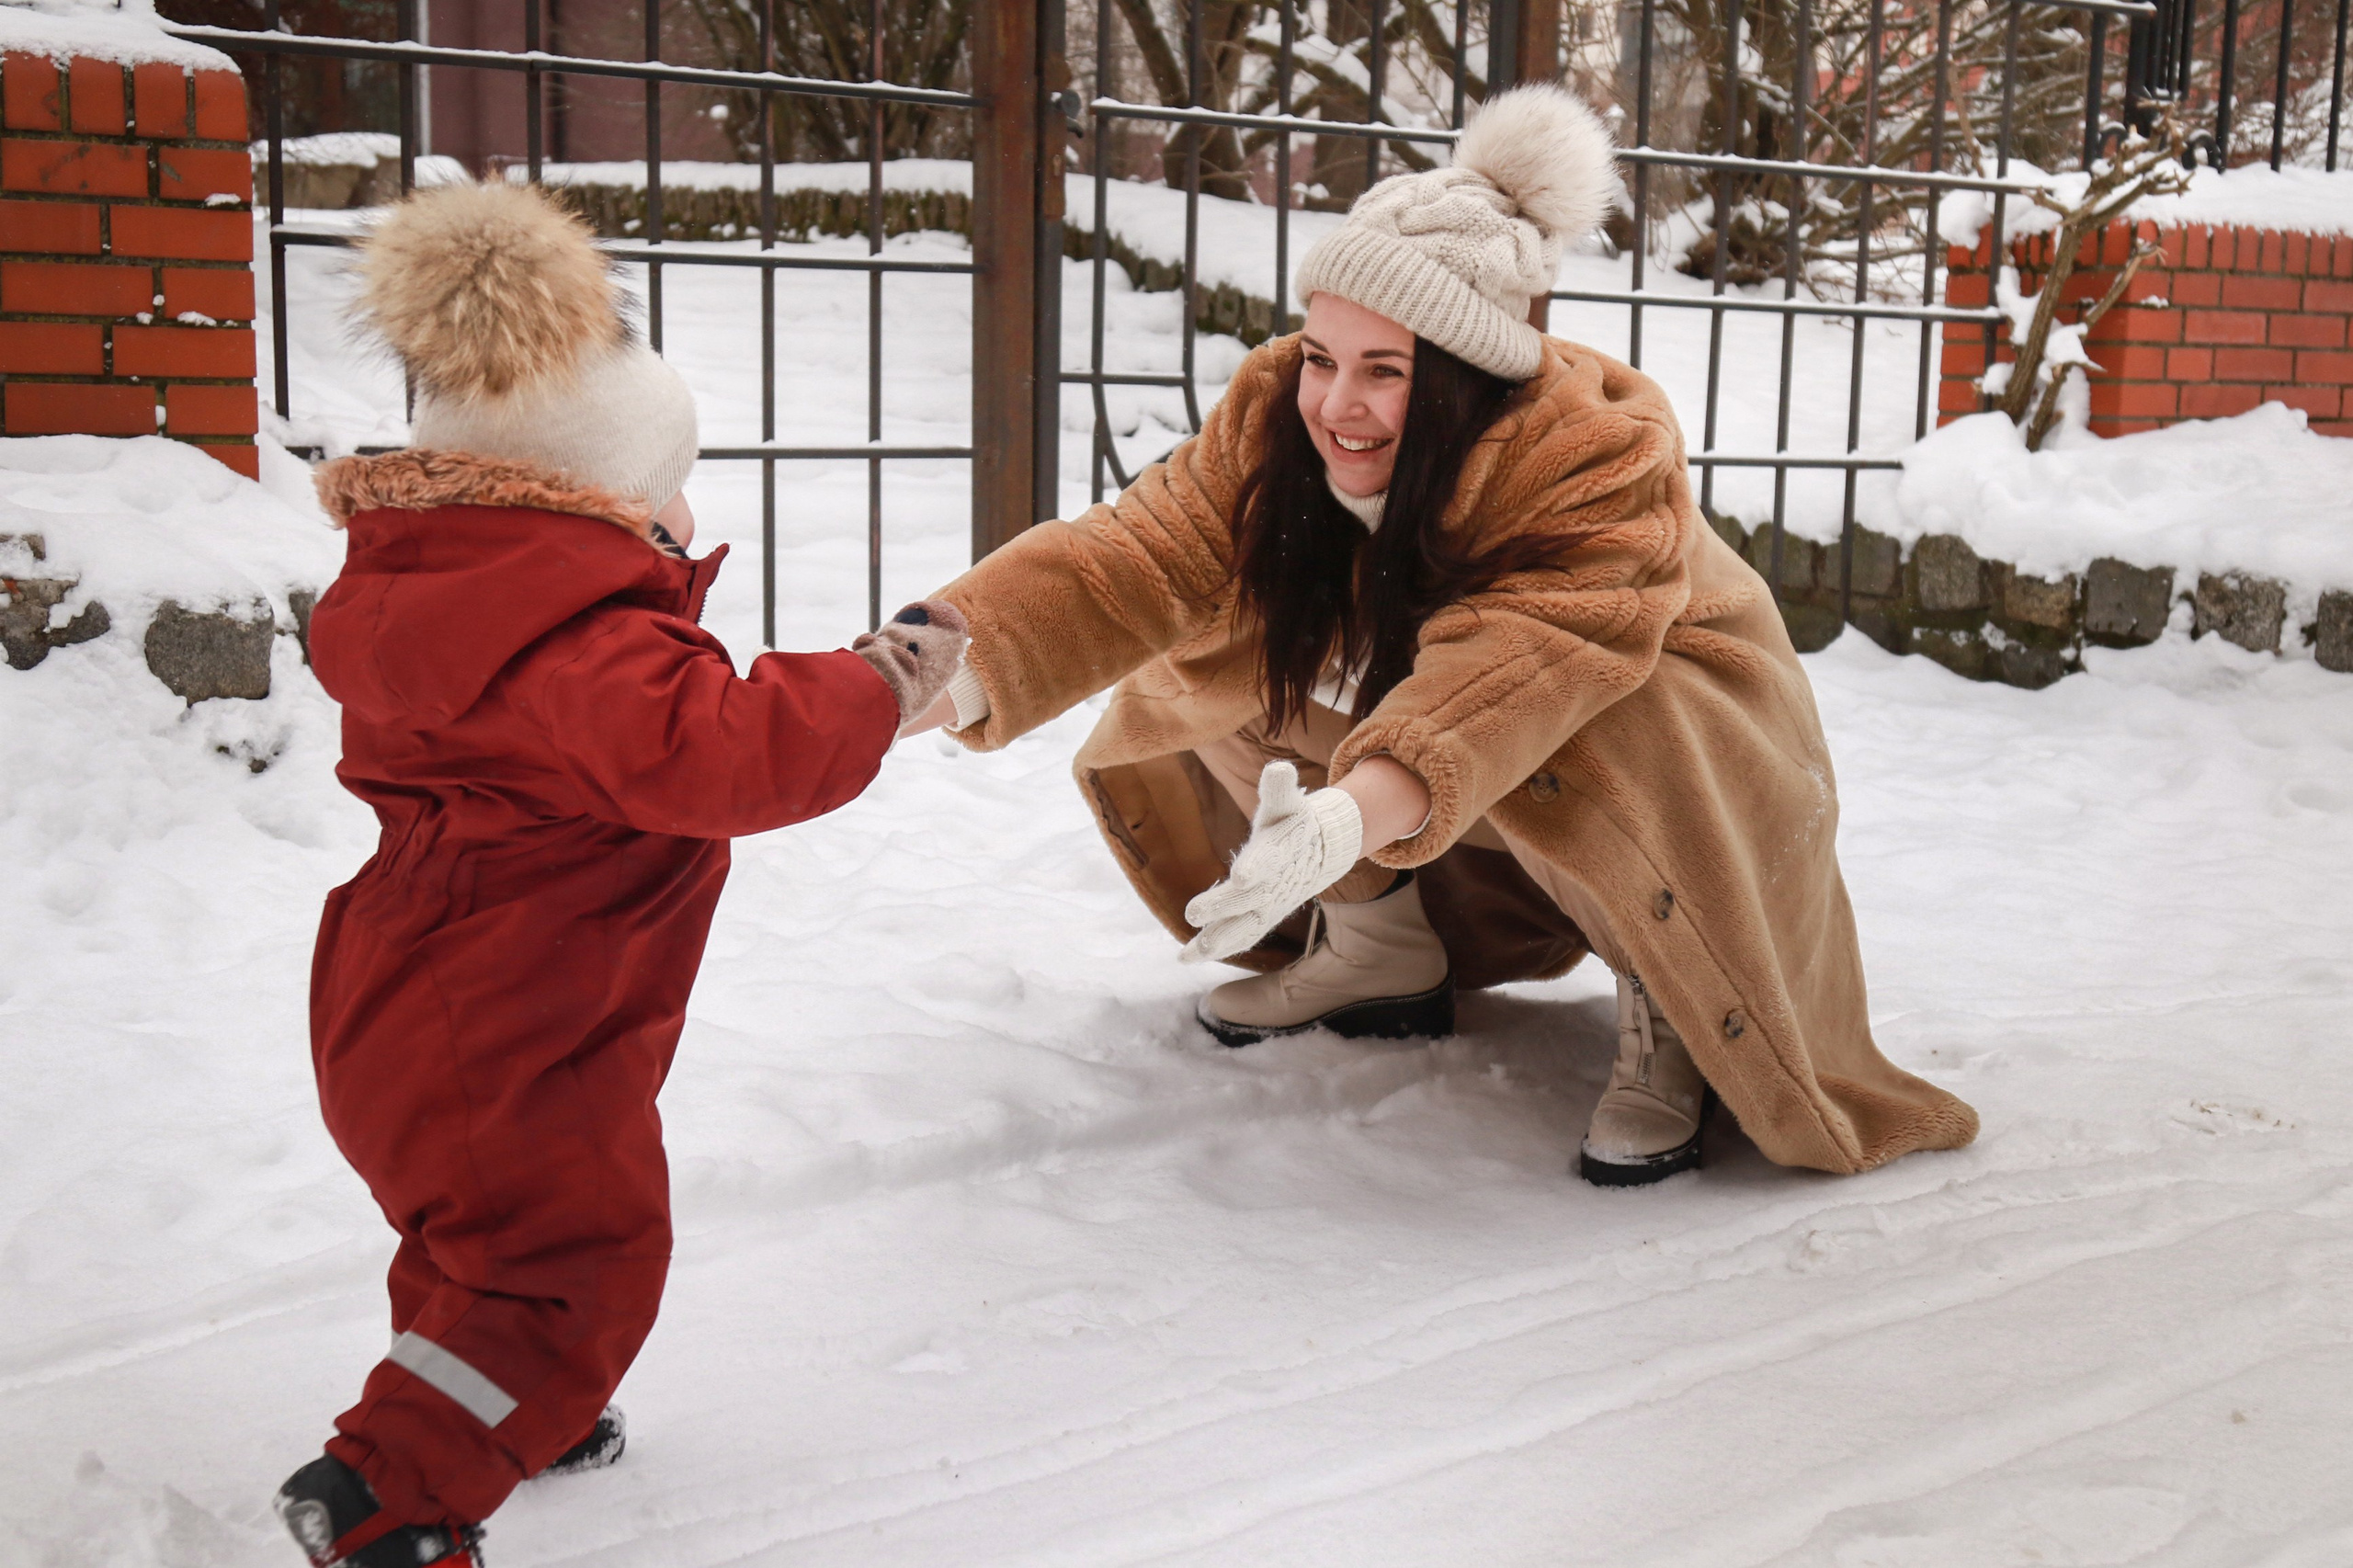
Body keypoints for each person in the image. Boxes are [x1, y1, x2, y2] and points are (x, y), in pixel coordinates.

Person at [914, 85, 1977, 1187]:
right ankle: (1380, 954)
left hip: (1679, 762)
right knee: (1228, 640)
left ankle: (1677, 1000)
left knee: (1607, 713)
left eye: (1387, 370)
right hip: (1450, 758)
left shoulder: (1591, 454)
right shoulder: (1277, 413)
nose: (1336, 403)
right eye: (1324, 355)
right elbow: (1131, 557)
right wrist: (923, 667)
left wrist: (1341, 820)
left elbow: (1512, 673)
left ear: (1470, 374)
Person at [272, 182, 967, 1567]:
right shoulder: (574, 646)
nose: (685, 517)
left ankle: (517, 1405)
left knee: (488, 1245)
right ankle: (388, 1496)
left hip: (429, 993)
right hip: (508, 1016)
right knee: (570, 1260)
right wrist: (878, 684)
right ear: (598, 504)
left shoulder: (462, 601)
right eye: (668, 496)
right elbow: (727, 749)